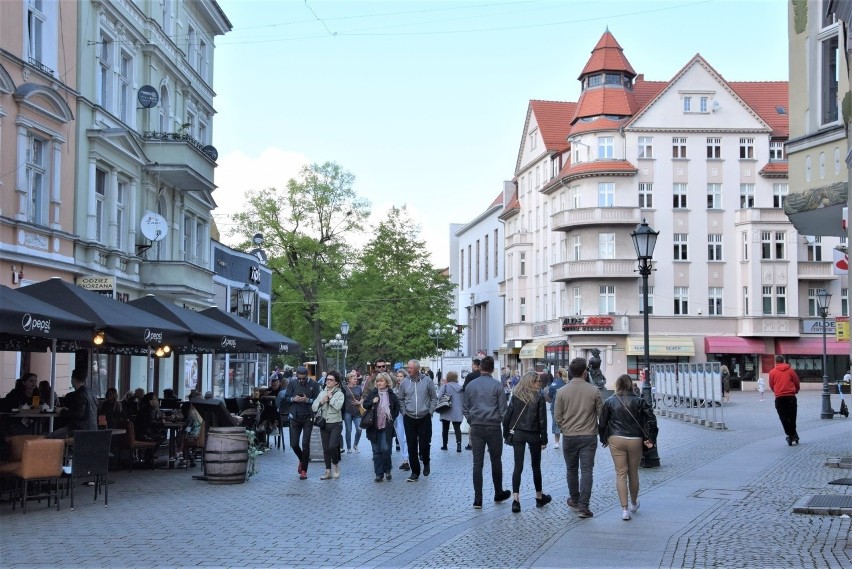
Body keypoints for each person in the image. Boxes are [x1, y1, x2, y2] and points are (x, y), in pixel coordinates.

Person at [598, 374, 658, 521]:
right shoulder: (640, 401)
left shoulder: (610, 401)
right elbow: (652, 419)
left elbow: (602, 423)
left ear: (617, 385)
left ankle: (624, 510)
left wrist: (604, 438)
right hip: (635, 439)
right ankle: (633, 503)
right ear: (631, 385)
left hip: (615, 438)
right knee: (633, 473)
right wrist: (651, 438)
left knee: (620, 473)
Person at [554, 357, 603, 518]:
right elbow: (601, 415)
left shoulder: (562, 391)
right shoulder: (594, 390)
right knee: (587, 470)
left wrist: (565, 427)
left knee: (571, 469)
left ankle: (575, 499)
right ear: (584, 372)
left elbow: (557, 416)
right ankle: (584, 506)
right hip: (588, 435)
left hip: (569, 436)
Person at [462, 356, 511, 508]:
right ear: (492, 369)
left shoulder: (471, 385)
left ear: (480, 367)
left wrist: (472, 421)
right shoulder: (497, 385)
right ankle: (498, 493)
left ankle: (478, 499)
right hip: (493, 427)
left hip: (476, 427)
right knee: (496, 461)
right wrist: (505, 426)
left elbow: (465, 408)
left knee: (478, 463)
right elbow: (503, 410)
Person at [503, 371, 551, 513]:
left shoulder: (516, 395)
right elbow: (542, 420)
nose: (540, 384)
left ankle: (516, 500)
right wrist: (544, 439)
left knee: (518, 466)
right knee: (536, 467)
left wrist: (506, 433)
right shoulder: (539, 397)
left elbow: (507, 416)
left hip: (518, 433)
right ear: (531, 382)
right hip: (533, 434)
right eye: (538, 381)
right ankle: (539, 497)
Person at [398, 359, 437, 482]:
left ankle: (426, 462)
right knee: (411, 445)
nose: (408, 370)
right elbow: (400, 399)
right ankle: (415, 472)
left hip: (424, 417)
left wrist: (430, 412)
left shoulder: (427, 381)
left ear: (417, 369)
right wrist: (404, 412)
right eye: (408, 367)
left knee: (425, 444)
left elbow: (433, 398)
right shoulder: (404, 382)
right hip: (409, 417)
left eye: (411, 368)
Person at [362, 372, 400, 482]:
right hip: (373, 426)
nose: (379, 383)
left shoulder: (391, 395)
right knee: (376, 451)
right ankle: (379, 474)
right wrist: (372, 402)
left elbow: (396, 408)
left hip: (386, 426)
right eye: (377, 381)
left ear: (387, 382)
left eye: (381, 381)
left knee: (385, 449)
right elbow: (365, 404)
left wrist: (391, 417)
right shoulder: (373, 393)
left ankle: (387, 469)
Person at [284, 365, 320, 479]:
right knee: (294, 444)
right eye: (299, 378)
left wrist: (307, 400)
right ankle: (302, 459)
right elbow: (286, 397)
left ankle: (304, 470)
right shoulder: (292, 383)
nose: (301, 380)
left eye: (303, 378)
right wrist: (292, 399)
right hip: (295, 416)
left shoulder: (314, 384)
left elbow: (318, 400)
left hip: (308, 417)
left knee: (305, 444)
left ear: (307, 376)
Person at [311, 369, 345, 480]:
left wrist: (330, 399)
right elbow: (314, 407)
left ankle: (335, 465)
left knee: (332, 446)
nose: (328, 381)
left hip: (336, 423)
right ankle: (327, 471)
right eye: (327, 379)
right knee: (325, 448)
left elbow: (338, 407)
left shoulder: (340, 394)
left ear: (336, 382)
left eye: (331, 380)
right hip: (324, 423)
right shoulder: (322, 392)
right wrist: (321, 401)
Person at [47, 369, 98, 439]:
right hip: (93, 430)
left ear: (73, 379)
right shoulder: (92, 393)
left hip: (79, 430)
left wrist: (61, 412)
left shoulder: (79, 394)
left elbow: (79, 414)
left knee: (48, 437)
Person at [768, 355, 800, 446]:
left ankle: (789, 434)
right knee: (792, 416)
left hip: (779, 398)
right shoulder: (790, 370)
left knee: (783, 417)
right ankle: (793, 433)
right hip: (790, 396)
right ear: (784, 361)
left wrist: (776, 391)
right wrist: (796, 390)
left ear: (775, 362)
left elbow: (771, 384)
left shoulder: (772, 372)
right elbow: (796, 381)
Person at [437, 371, 464, 452]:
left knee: (445, 428)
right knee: (457, 428)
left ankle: (445, 445)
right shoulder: (460, 388)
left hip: (446, 409)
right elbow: (463, 400)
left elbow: (439, 397)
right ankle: (459, 446)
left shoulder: (445, 386)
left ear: (448, 378)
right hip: (457, 411)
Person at [392, 368, 410, 470]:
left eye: (401, 376)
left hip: (407, 415)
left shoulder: (408, 388)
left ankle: (408, 458)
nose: (399, 378)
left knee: (407, 438)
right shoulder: (395, 389)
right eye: (398, 376)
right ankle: (405, 459)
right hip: (397, 416)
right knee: (400, 438)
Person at [342, 371, 363, 453]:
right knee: (348, 430)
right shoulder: (344, 388)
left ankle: (355, 444)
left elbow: (363, 397)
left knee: (359, 429)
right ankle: (349, 448)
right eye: (353, 378)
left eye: (356, 378)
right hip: (347, 411)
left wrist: (359, 402)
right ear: (349, 379)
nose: (355, 379)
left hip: (357, 412)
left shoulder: (359, 388)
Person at [546, 369, 567, 448]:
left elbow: (550, 394)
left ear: (559, 374)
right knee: (567, 422)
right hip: (566, 406)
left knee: (556, 423)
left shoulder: (555, 383)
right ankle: (566, 439)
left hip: (555, 406)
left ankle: (557, 442)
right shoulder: (568, 382)